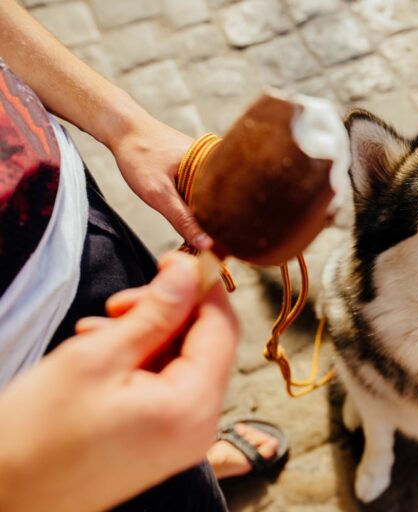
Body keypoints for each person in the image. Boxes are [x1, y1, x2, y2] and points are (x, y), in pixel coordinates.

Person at [0, 0, 285, 509]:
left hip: (63, 216)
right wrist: (21, 479)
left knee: (168, 440)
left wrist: (120, 121)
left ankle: (189, 458)